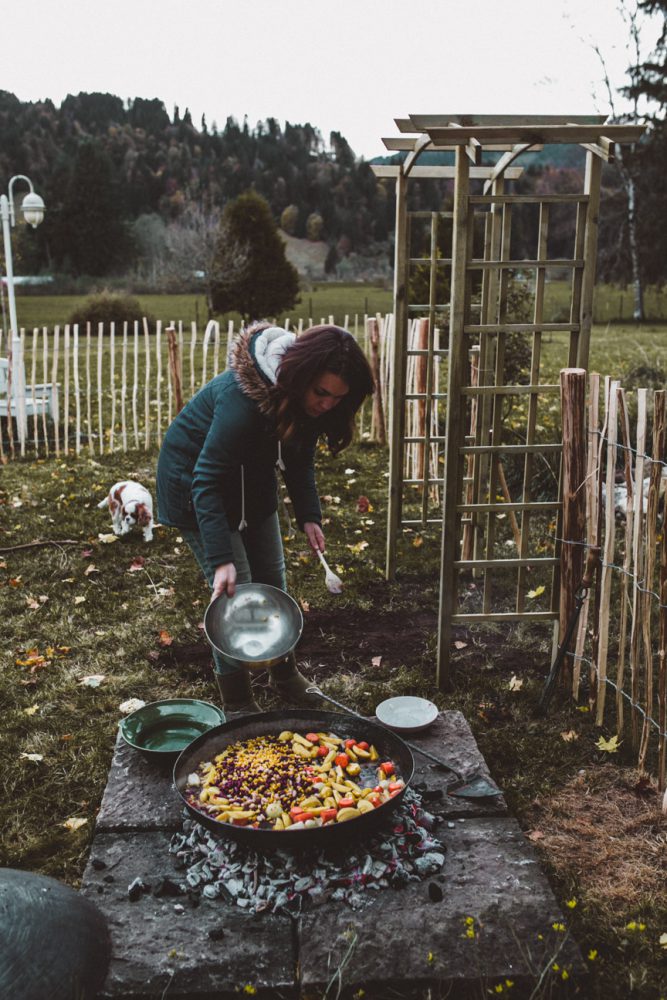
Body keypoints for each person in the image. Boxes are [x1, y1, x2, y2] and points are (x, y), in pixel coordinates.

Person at [156, 321, 374, 718]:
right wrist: (221, 558)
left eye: (338, 398)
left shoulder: (305, 401)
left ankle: (285, 675)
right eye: (321, 393)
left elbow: (298, 457)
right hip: (195, 486)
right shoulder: (241, 402)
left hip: (250, 483)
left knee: (274, 582)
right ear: (299, 377)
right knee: (235, 593)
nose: (327, 405)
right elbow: (206, 480)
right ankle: (238, 701)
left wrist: (309, 516)